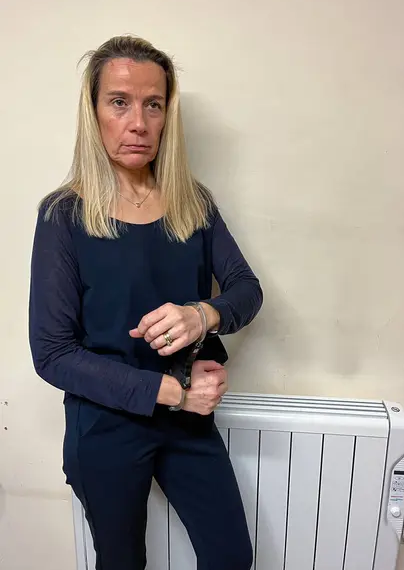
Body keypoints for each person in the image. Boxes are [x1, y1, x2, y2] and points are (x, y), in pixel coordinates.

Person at [28, 35, 263, 570]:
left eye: (153, 104)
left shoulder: (193, 202)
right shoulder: (63, 215)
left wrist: (203, 315)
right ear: (94, 113)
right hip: (106, 426)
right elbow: (52, 353)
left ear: (166, 114)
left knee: (231, 557)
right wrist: (172, 391)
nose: (138, 122)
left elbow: (247, 291)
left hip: (186, 420)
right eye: (119, 102)